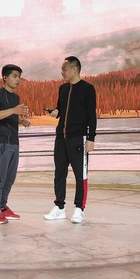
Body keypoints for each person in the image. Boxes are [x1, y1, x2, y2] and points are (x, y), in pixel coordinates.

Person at [44, 56, 96, 223]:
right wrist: (55, 112)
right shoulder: (63, 88)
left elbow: (92, 116)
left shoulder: (88, 89)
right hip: (61, 138)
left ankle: (79, 209)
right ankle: (59, 207)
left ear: (75, 69)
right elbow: (61, 110)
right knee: (59, 173)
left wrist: (91, 138)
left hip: (78, 139)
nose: (62, 72)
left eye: (64, 69)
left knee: (81, 175)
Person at [0, 64, 31, 224]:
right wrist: (14, 111)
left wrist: (21, 120)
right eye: (14, 76)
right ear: (5, 77)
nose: (18, 79)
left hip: (14, 142)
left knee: (10, 178)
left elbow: (11, 115)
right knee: (0, 178)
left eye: (19, 77)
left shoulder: (16, 98)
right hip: (1, 143)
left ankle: (3, 207)